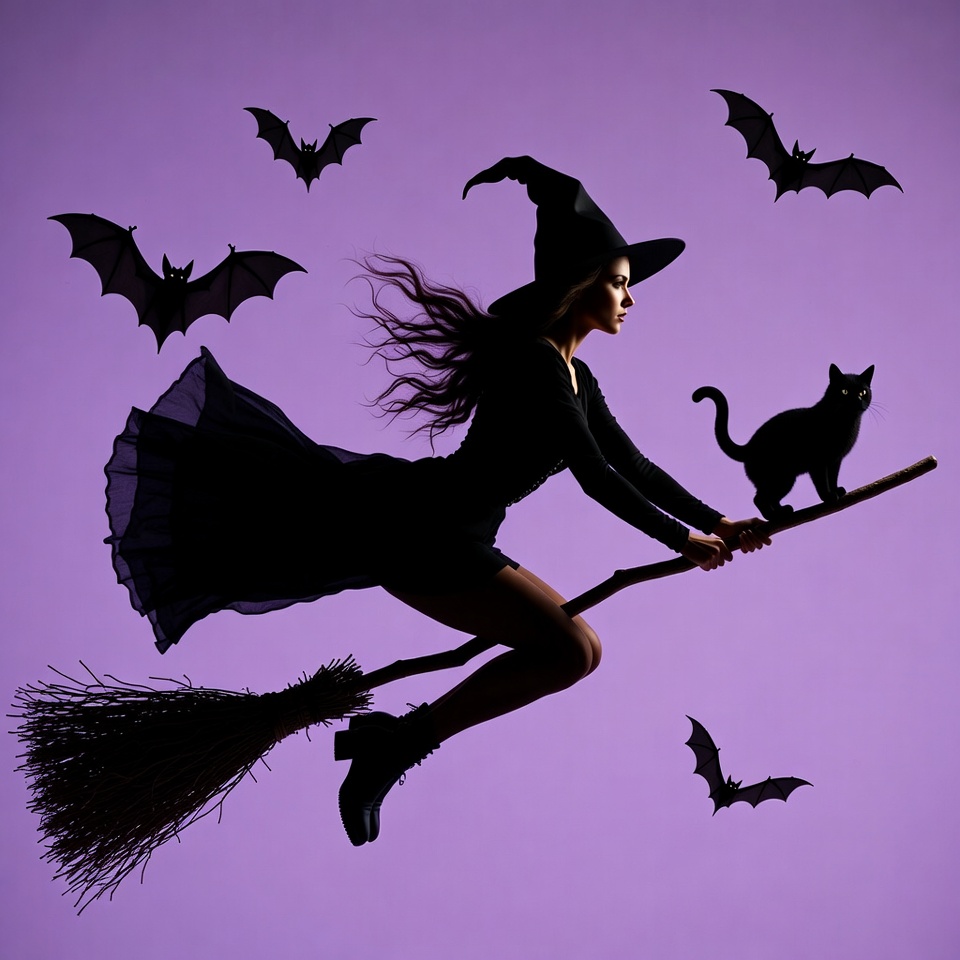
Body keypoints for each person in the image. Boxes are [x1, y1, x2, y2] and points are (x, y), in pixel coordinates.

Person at [104, 156, 769, 847]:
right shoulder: (535, 361)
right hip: (424, 529)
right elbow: (595, 475)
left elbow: (632, 464)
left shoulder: (579, 377)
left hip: (461, 530)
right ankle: (392, 749)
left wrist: (717, 521)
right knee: (573, 651)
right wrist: (680, 541)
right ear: (581, 285)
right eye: (620, 283)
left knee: (585, 651)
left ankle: (390, 744)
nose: (631, 299)